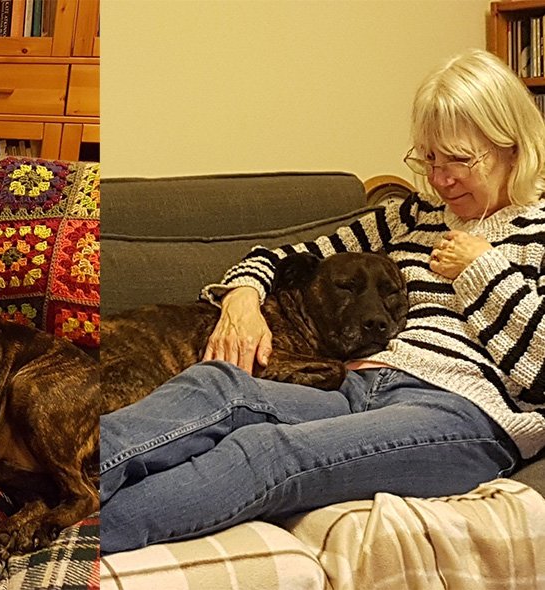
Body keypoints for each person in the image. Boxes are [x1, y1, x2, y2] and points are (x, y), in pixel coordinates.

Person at [100, 48, 545, 554]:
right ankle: (62, 483)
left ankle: (79, 539)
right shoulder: (412, 216)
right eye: (430, 159)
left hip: (463, 413)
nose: (441, 180)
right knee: (217, 385)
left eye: (459, 159)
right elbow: (286, 258)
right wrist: (242, 298)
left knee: (268, 452)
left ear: (512, 145)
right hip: (358, 385)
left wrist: (483, 270)